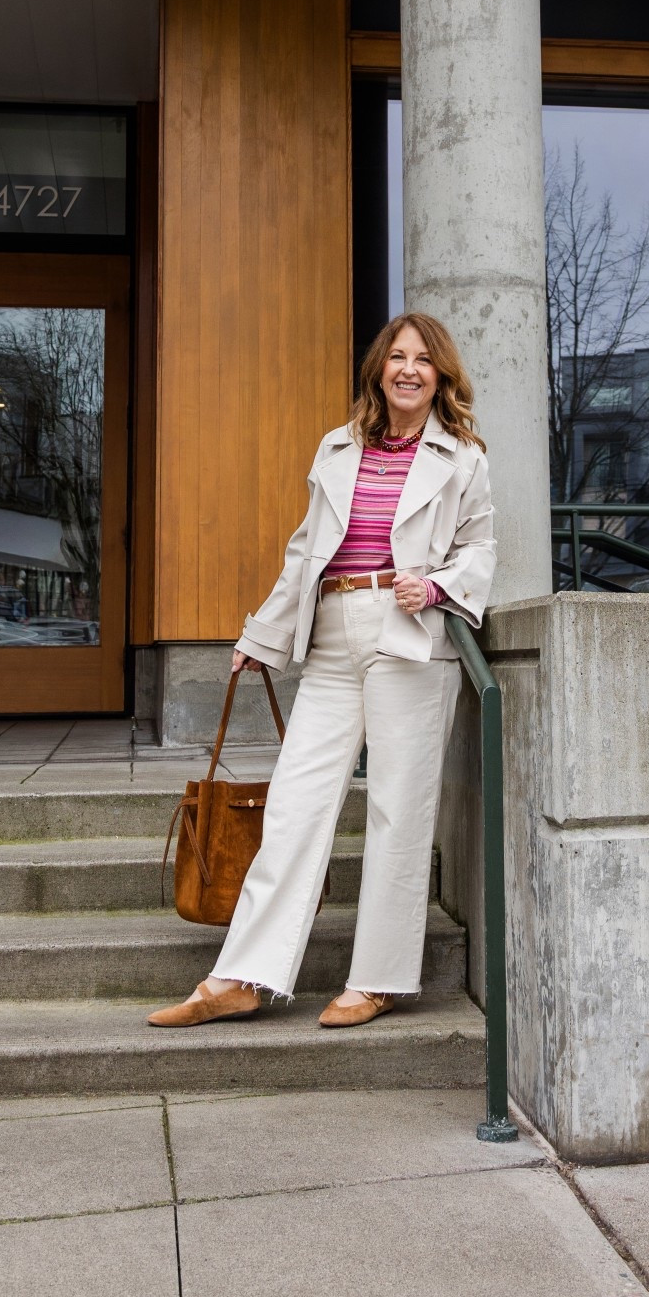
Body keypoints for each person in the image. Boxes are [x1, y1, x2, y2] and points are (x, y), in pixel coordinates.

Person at [147, 311, 496, 1029]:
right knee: (294, 804)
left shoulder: (463, 458)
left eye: (422, 361)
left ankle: (381, 979)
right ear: (378, 370)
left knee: (399, 810)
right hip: (333, 632)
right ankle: (242, 977)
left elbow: (479, 548)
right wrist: (261, 636)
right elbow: (306, 553)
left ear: (440, 377)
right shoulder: (338, 449)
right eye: (395, 357)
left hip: (410, 635)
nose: (407, 369)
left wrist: (434, 587)